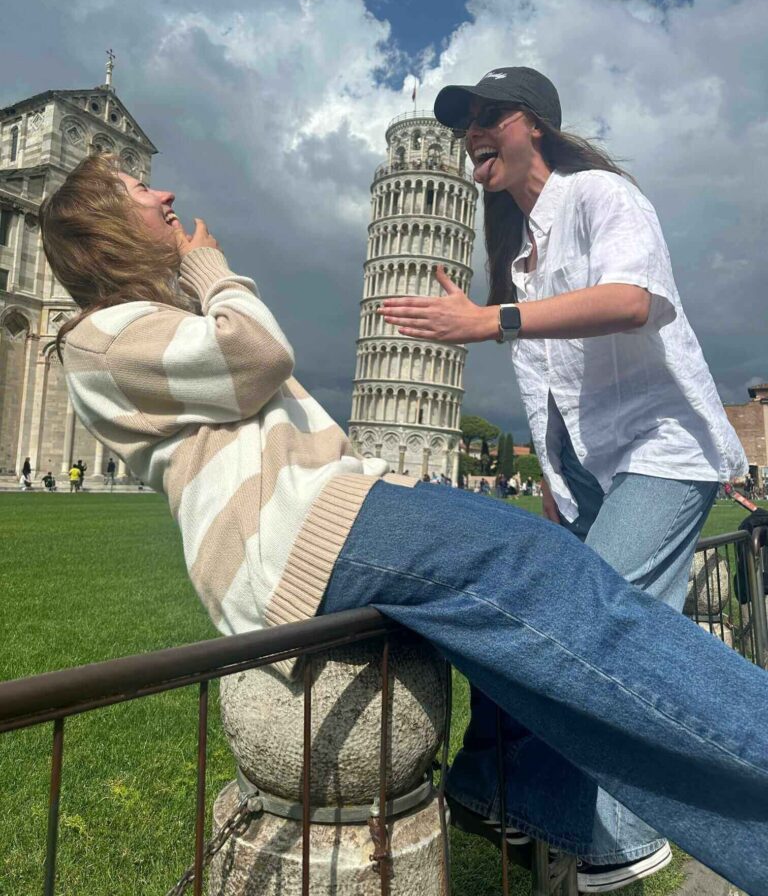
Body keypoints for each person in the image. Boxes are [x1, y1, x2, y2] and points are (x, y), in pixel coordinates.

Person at [37, 154, 768, 895]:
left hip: (338, 515)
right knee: (558, 584)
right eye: (138, 191)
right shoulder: (99, 336)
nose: (164, 192)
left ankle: (507, 787)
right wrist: (210, 267)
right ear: (102, 229)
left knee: (539, 602)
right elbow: (254, 352)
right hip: (304, 536)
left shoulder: (150, 325)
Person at [379, 66, 749, 887]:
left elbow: (632, 300)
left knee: (590, 632)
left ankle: (618, 836)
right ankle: (502, 793)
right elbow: (555, 389)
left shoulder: (600, 199)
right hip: (590, 474)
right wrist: (553, 484)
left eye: (485, 117)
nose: (471, 133)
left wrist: (488, 321)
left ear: (532, 124)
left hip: (664, 450)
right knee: (568, 621)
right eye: (462, 123)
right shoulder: (522, 256)